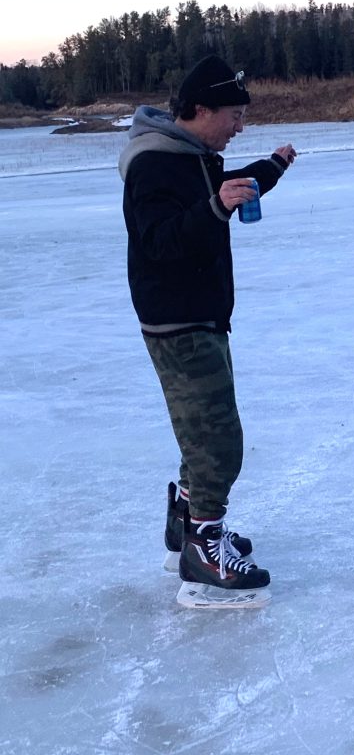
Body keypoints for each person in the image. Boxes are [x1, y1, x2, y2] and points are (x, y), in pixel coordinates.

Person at [119, 54, 297, 608]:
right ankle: (203, 548)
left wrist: (273, 166)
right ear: (200, 110)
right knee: (219, 441)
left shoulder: (194, 155)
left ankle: (185, 530)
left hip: (201, 314)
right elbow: (159, 241)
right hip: (179, 320)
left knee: (200, 431)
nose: (240, 125)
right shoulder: (154, 165)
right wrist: (216, 208)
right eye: (234, 115)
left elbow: (230, 185)